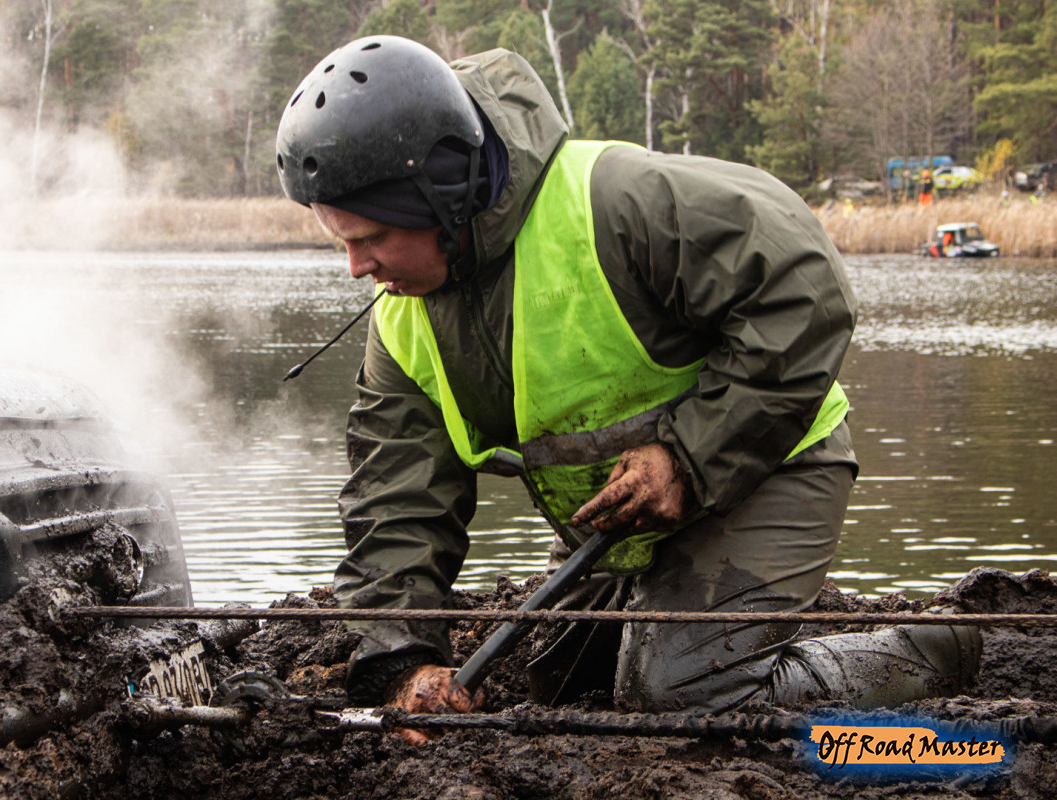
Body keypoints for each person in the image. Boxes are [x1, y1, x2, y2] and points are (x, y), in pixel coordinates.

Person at [275, 37, 981, 742]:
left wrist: (689, 458)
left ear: (441, 198)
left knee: (680, 696)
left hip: (767, 460)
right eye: (341, 241)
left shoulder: (613, 200)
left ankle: (934, 649)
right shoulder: (401, 312)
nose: (355, 267)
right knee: (560, 688)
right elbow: (395, 495)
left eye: (369, 238)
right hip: (619, 518)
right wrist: (404, 662)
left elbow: (804, 289)